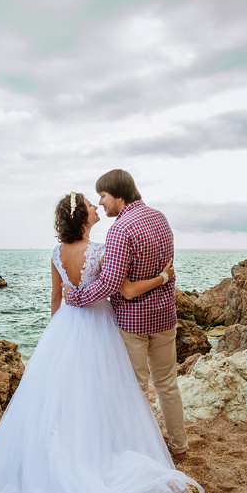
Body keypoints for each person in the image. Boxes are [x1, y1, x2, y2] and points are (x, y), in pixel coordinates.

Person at [0, 191, 202, 493]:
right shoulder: (100, 249)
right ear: (83, 218)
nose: (97, 207)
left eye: (98, 202)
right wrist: (161, 278)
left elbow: (56, 303)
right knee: (108, 396)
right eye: (91, 206)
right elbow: (114, 289)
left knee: (62, 400)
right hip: (98, 329)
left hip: (66, 330)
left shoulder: (56, 253)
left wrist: (59, 342)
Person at [64, 169, 189, 462]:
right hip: (165, 318)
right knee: (168, 385)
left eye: (103, 196)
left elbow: (111, 284)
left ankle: (140, 451)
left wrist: (77, 297)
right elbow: (167, 269)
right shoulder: (160, 218)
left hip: (133, 323)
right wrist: (160, 279)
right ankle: (180, 448)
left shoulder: (121, 229)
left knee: (134, 390)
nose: (101, 203)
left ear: (118, 194)